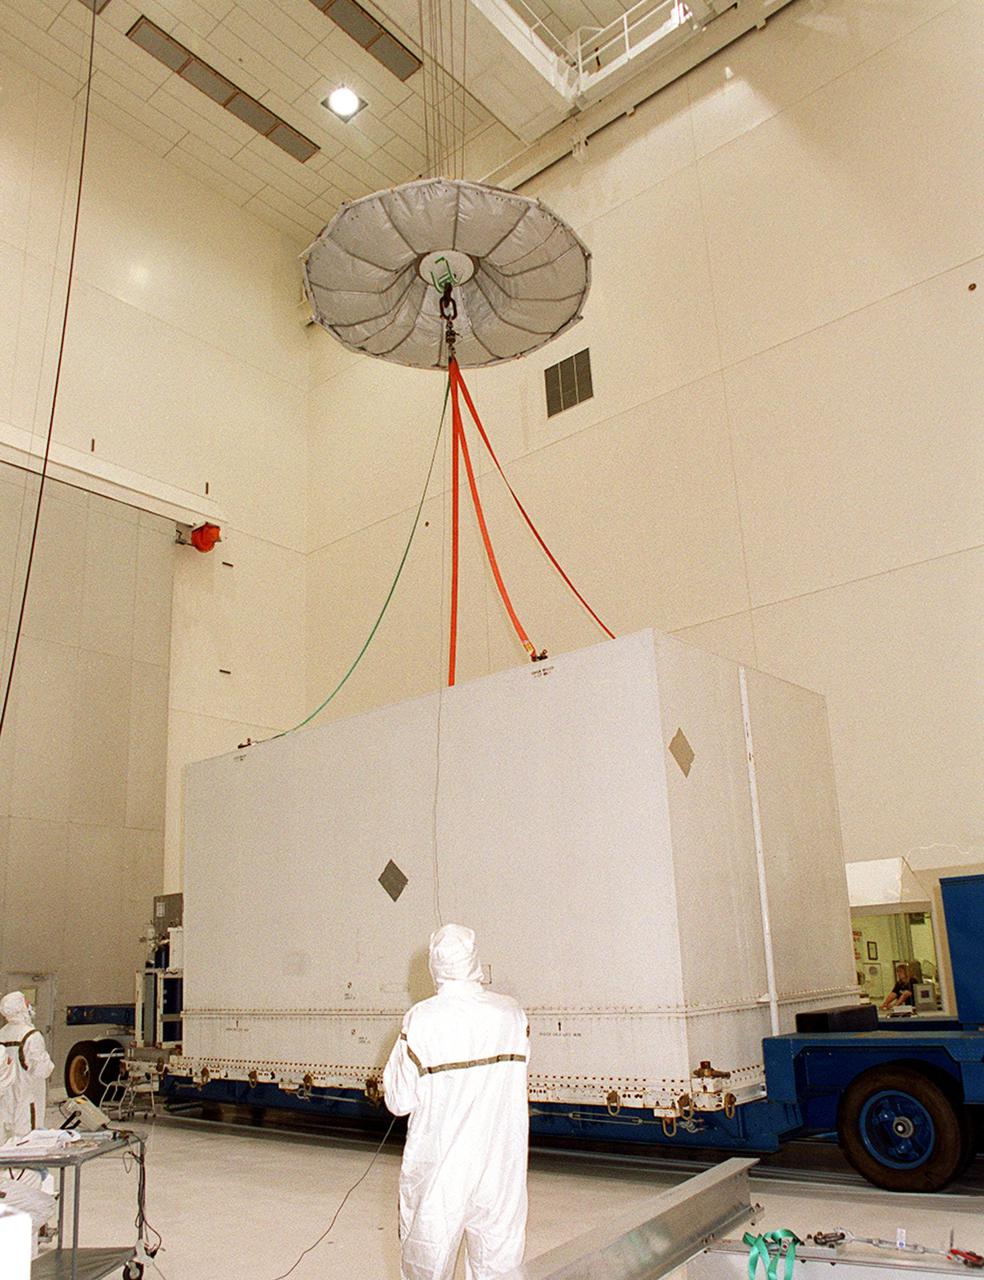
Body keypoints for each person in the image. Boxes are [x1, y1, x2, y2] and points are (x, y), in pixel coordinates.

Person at [383, 924, 529, 1280]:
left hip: (440, 1171)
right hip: (500, 1168)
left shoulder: (422, 1019)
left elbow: (398, 1100)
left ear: (435, 966)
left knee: (427, 1262)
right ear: (474, 960)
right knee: (500, 1266)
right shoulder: (511, 1014)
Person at [0, 991, 55, 1137]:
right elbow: (43, 1070)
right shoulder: (31, 1035)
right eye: (26, 1003)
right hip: (28, 1098)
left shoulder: (2, 1034)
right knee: (28, 1139)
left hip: (5, 1099)